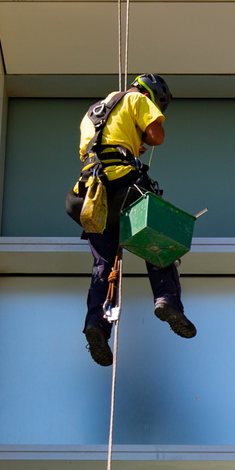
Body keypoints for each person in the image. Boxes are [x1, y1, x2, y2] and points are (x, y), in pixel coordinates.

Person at [64, 73, 195, 367]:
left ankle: (96, 323)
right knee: (158, 238)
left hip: (88, 197)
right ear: (153, 95)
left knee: (104, 264)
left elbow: (102, 145)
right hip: (122, 186)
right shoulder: (137, 98)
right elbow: (156, 136)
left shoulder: (93, 112)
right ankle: (167, 301)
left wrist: (130, 141)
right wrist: (144, 135)